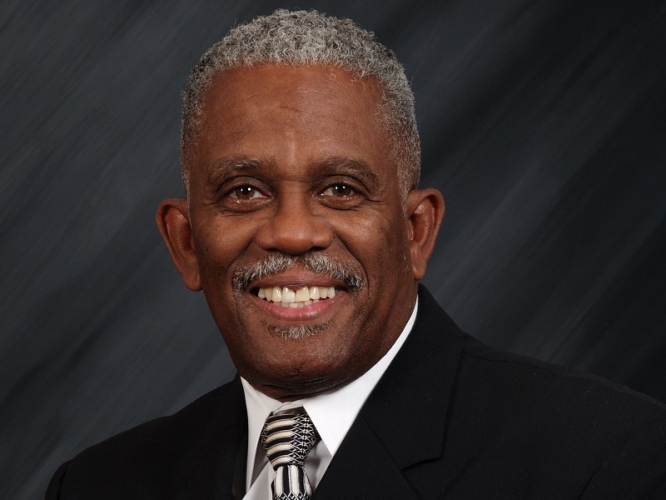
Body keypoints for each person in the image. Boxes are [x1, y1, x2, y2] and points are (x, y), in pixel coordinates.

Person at [46, 9, 666, 499]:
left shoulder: (610, 463)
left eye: (341, 189)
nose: (293, 233)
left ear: (416, 231)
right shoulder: (99, 485)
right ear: (185, 242)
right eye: (245, 191)